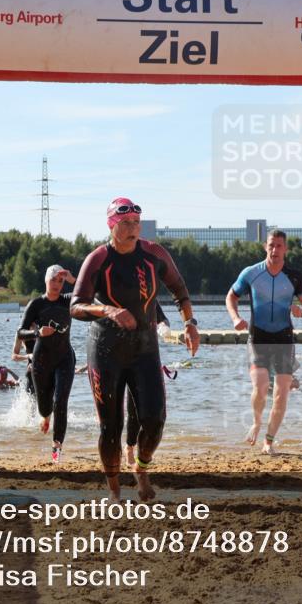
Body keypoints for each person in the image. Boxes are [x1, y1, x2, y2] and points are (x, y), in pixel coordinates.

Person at [71, 198, 200, 502]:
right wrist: (107, 311)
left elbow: (179, 290)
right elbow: (75, 306)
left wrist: (189, 323)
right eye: (126, 224)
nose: (133, 229)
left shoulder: (154, 253)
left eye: (136, 223)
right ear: (112, 226)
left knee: (154, 420)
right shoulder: (98, 259)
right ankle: (114, 490)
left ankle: (141, 469)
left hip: (145, 350)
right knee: (111, 427)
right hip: (105, 352)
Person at [226, 230, 302, 455]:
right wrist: (235, 318)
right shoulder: (251, 273)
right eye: (271, 246)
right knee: (261, 384)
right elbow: (231, 297)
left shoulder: (294, 277)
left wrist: (301, 313)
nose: (274, 250)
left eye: (279, 246)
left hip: (284, 338)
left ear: (286, 249)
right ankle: (256, 421)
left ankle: (269, 441)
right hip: (258, 337)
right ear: (266, 247)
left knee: (281, 392)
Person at [17, 265, 76, 463]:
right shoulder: (36, 305)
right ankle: (45, 416)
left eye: (60, 281)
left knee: (61, 401)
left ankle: (56, 448)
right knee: (45, 407)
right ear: (46, 281)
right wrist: (38, 333)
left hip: (64, 358)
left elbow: (87, 293)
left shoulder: (68, 300)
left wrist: (71, 278)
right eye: (53, 280)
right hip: (41, 360)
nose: (57, 285)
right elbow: (20, 332)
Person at [125, 303, 172, 468]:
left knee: (150, 409)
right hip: (121, 358)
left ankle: (141, 453)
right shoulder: (117, 294)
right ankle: (129, 446)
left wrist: (164, 327)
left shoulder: (149, 296)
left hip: (146, 358)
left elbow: (162, 318)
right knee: (133, 410)